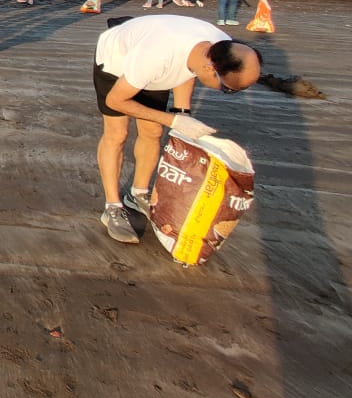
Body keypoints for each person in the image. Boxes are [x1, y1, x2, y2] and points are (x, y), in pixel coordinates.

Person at [93, 14, 263, 243]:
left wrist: (182, 113)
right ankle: (112, 207)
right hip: (116, 62)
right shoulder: (155, 56)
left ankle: (138, 194)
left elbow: (188, 69)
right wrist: (174, 121)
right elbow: (115, 100)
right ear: (210, 68)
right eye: (228, 89)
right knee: (117, 133)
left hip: (155, 70)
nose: (227, 93)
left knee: (153, 131)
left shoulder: (220, 46)